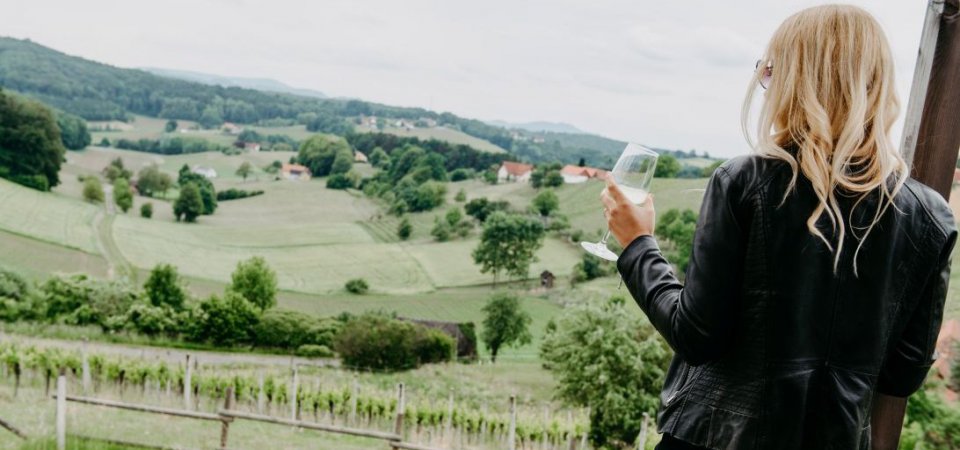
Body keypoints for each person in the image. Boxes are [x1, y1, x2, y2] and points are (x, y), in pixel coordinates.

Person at [602, 5, 957, 450]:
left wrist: (637, 246)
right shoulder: (931, 216)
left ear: (797, 82)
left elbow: (697, 336)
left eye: (770, 72)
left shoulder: (744, 183)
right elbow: (902, 375)